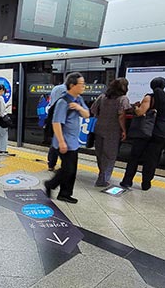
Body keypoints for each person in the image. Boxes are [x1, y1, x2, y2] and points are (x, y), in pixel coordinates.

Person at [120, 77, 165, 191]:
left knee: (135, 157)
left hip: (145, 131)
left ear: (151, 86)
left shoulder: (149, 97)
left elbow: (140, 112)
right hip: (161, 132)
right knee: (152, 159)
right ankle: (146, 183)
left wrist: (136, 106)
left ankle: (127, 181)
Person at [44, 73, 90, 204]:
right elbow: (56, 123)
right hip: (63, 142)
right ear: (72, 85)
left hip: (73, 143)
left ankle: (65, 194)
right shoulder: (63, 102)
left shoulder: (79, 99)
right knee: (68, 169)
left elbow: (87, 115)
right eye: (81, 84)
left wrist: (79, 107)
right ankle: (50, 184)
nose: (83, 86)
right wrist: (62, 142)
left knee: (72, 170)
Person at [90, 78, 130, 187]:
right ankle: (103, 178)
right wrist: (124, 130)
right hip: (113, 130)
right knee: (110, 155)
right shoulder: (123, 99)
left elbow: (93, 110)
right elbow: (121, 115)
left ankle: (101, 174)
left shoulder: (102, 97)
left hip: (99, 128)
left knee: (100, 154)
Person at [46, 82, 84, 171]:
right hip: (66, 120)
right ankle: (65, 166)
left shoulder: (55, 88)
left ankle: (51, 164)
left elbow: (51, 103)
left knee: (55, 141)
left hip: (54, 116)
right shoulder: (69, 92)